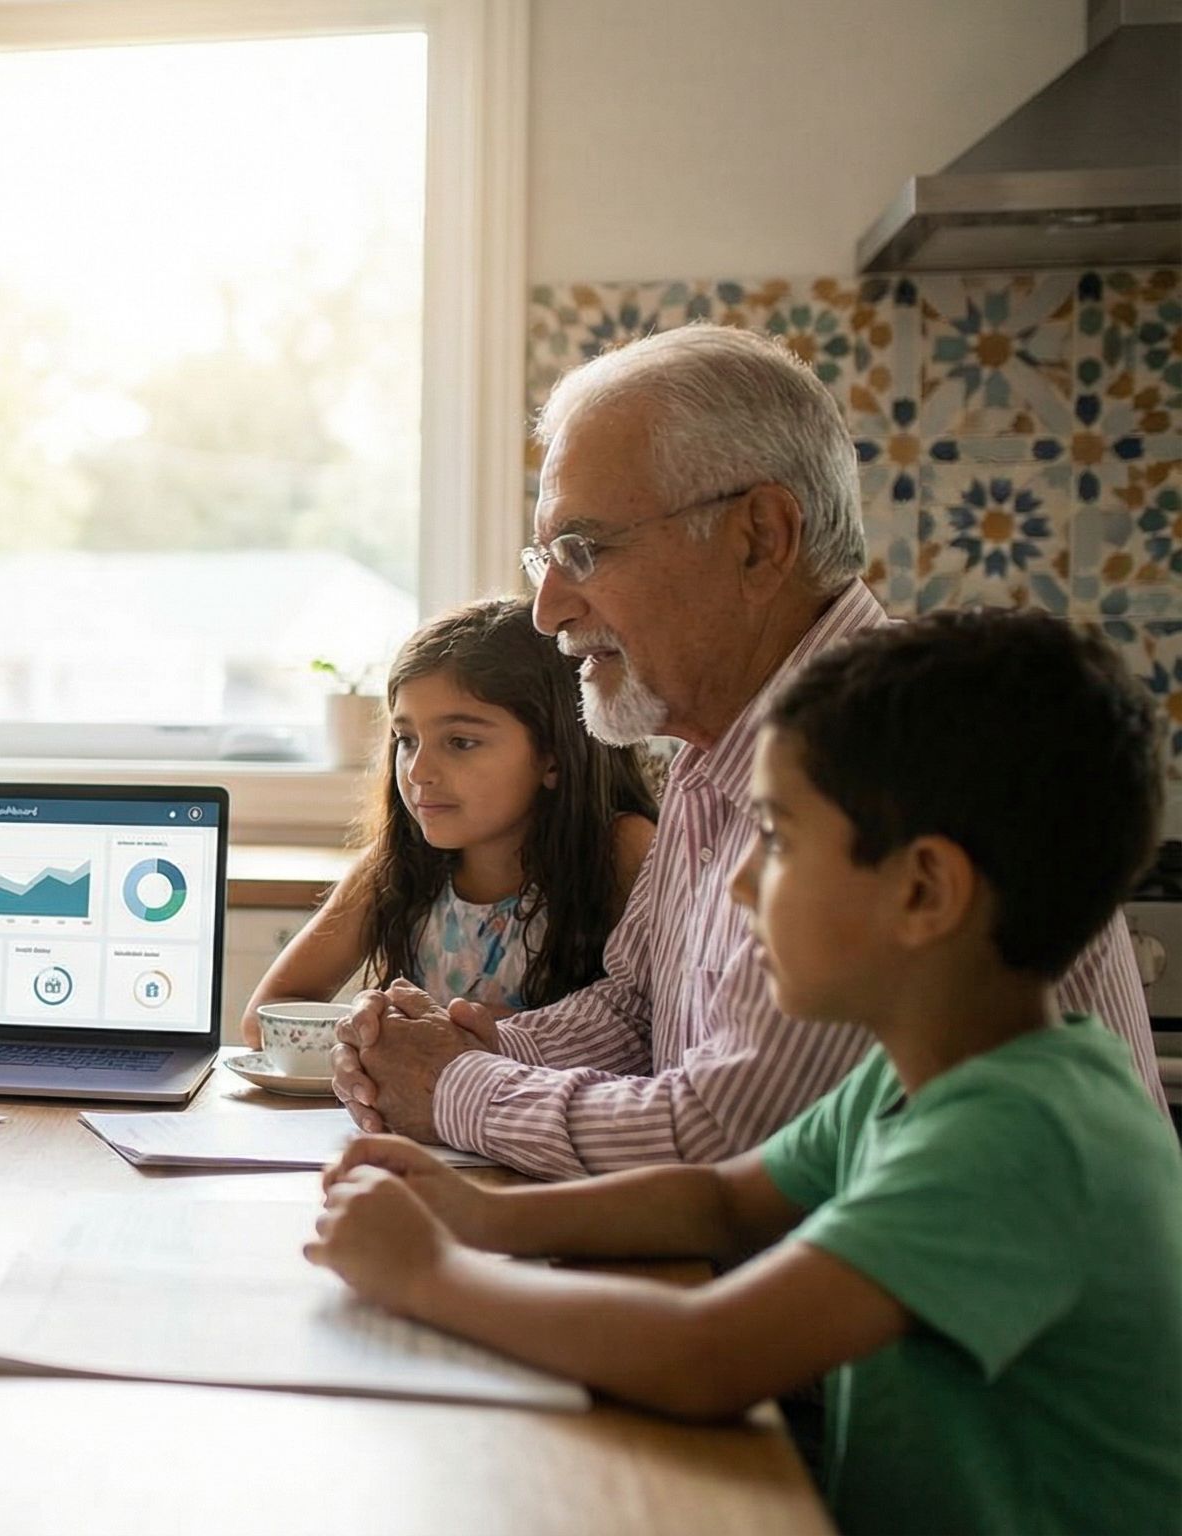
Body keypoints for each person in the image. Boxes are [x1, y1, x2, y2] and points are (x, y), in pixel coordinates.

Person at [308, 609, 1182, 1536]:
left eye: (778, 839)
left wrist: (431, 1276)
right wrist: (476, 1209)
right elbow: (721, 1200)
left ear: (924, 891)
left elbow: (708, 1355)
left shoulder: (1015, 1137)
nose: (736, 885)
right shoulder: (918, 1078)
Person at [331, 324, 1161, 1176]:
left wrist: (457, 1087)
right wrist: (481, 1042)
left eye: (583, 550)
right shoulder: (715, 734)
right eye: (545, 556)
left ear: (760, 537)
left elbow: (728, 1137)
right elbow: (642, 1009)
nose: (547, 610)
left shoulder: (896, 754)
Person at [241, 598, 656, 1043]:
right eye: (407, 739)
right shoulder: (395, 865)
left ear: (553, 757)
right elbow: (261, 1021)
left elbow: (657, 1033)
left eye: (460, 742)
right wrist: (376, 1029)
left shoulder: (622, 851)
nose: (418, 772)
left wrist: (488, 1032)